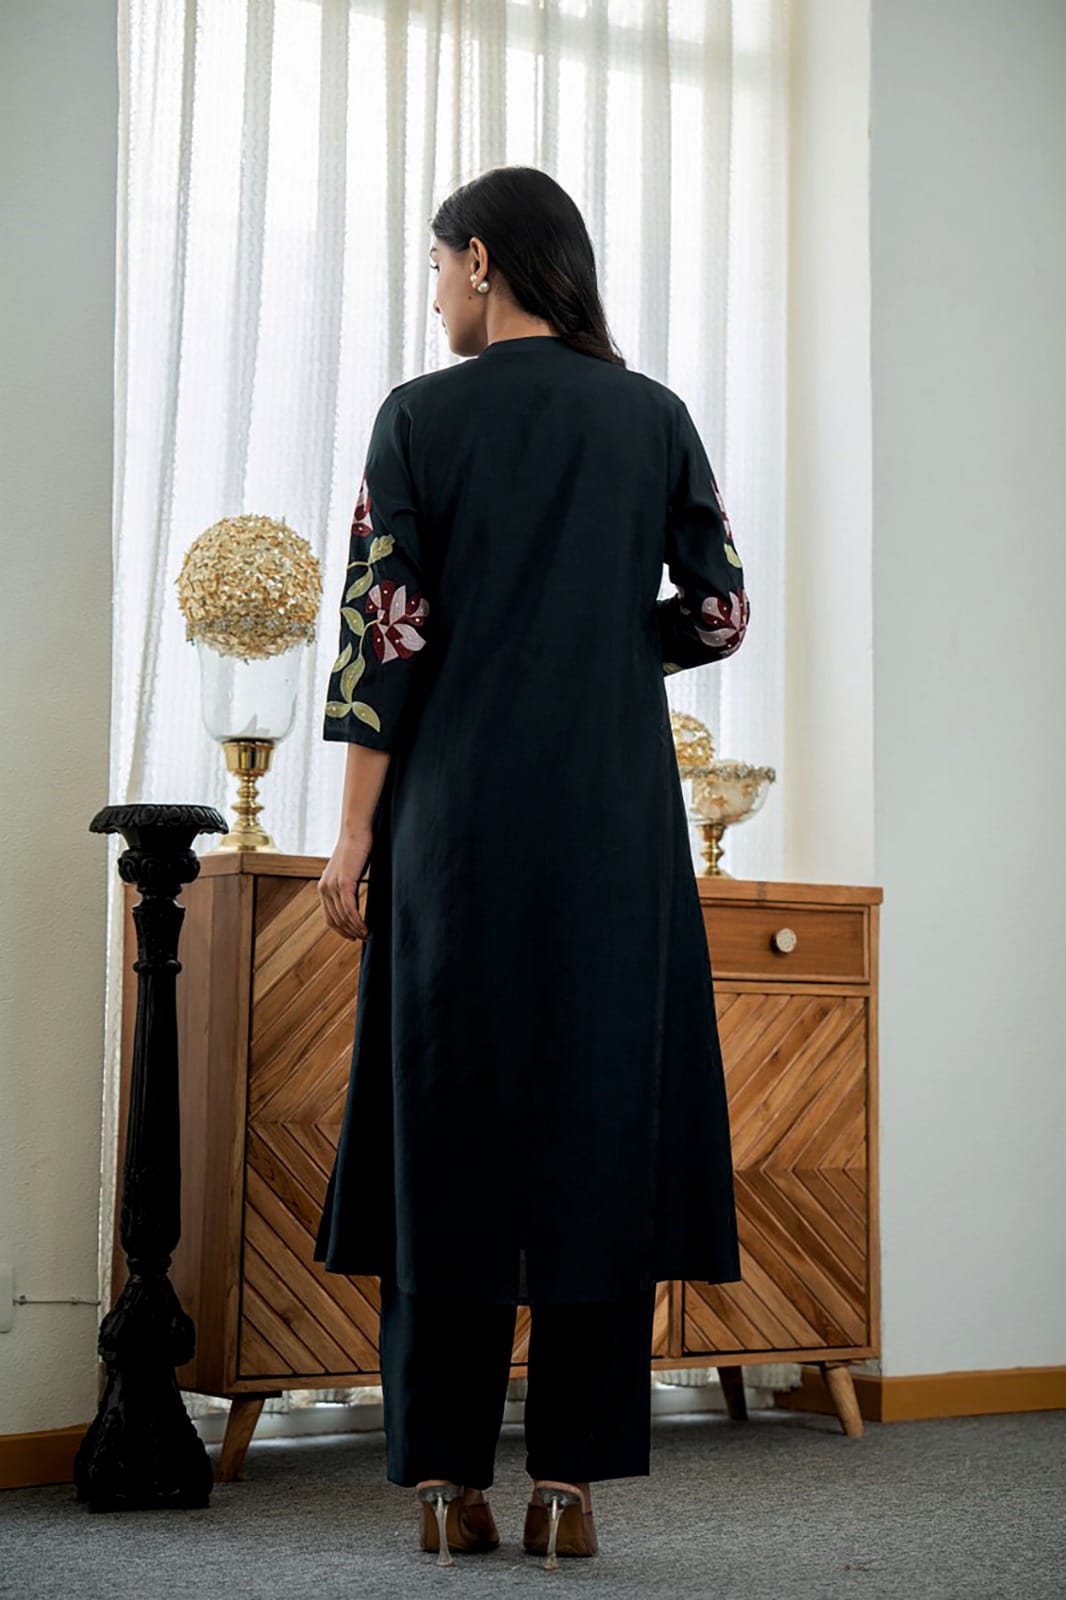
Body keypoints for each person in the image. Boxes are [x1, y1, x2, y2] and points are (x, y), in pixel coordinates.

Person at [314, 164, 750, 1569]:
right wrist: (611, 643)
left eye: (437, 264)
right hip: (615, 829)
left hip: (458, 830)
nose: (434, 291)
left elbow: (386, 635)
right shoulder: (652, 415)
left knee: (446, 1135)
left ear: (483, 261)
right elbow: (720, 614)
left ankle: (446, 1484)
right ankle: (568, 1485)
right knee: (596, 1137)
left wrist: (355, 831)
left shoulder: (419, 416)